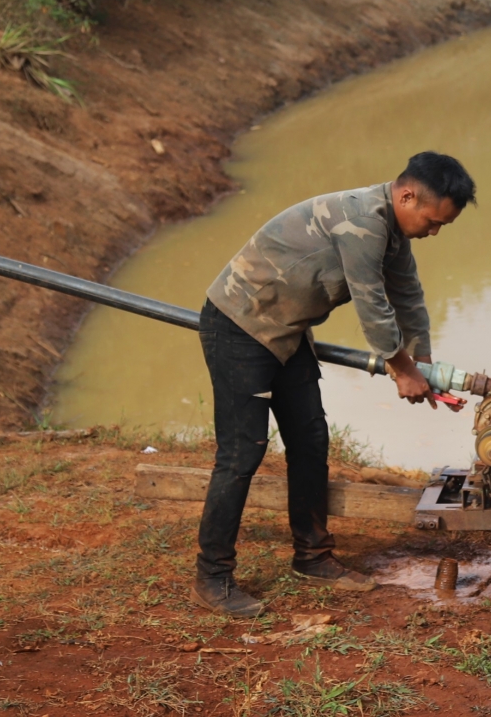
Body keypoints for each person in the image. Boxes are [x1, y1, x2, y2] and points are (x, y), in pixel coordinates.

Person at [192, 152, 476, 615]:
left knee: (310, 440)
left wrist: (424, 366)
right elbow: (373, 306)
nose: (434, 231)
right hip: (239, 325)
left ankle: (313, 557)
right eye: (431, 220)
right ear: (406, 196)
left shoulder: (392, 229)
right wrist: (402, 370)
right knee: (242, 452)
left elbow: (407, 294)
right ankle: (212, 576)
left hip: (287, 331)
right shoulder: (363, 223)